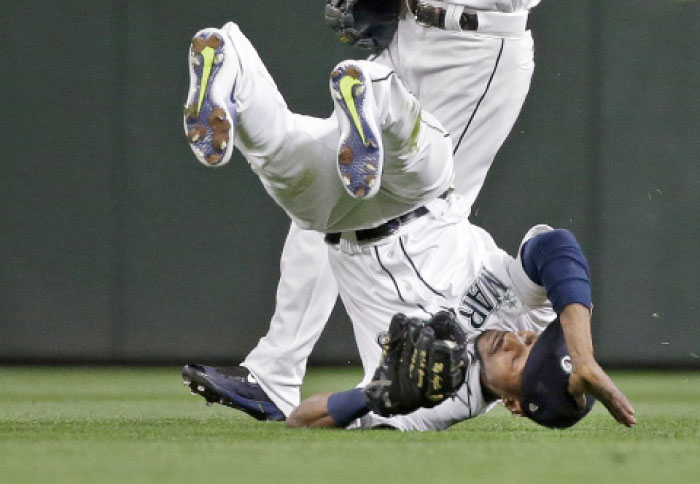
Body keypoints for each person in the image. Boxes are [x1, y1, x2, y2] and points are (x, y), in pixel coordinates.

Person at [180, 21, 635, 430]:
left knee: (277, 150)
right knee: (423, 152)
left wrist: (374, 395)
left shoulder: (443, 403)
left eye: (520, 361)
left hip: (338, 221)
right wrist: (583, 354)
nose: (515, 340)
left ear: (514, 404)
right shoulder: (528, 312)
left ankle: (228, 62)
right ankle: (369, 97)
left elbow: (303, 419)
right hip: (420, 197)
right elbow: (555, 247)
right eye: (531, 340)